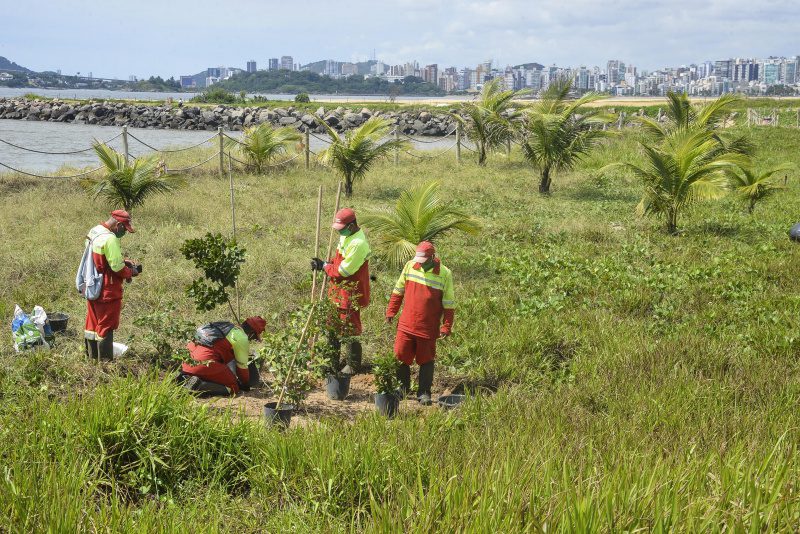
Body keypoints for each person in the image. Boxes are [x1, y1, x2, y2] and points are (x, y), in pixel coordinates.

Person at [385, 241, 454, 405]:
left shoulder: (444, 273)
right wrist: (391, 311)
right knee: (400, 356)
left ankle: (424, 392)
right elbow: (398, 290)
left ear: (432, 258)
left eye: (423, 260)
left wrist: (446, 326)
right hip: (406, 324)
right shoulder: (410, 266)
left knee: (426, 360)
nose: (419, 263)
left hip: (427, 327)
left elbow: (449, 303)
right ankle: (402, 388)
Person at [311, 208, 371, 374]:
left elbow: (344, 271)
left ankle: (352, 364)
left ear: (351, 226)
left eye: (341, 228)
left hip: (350, 292)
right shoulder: (346, 235)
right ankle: (332, 361)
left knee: (349, 328)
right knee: (332, 325)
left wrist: (324, 266)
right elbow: (337, 261)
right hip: (337, 290)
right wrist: (326, 263)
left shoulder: (358, 243)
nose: (339, 231)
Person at [84, 210, 140, 361]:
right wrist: (130, 272)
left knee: (92, 322)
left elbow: (101, 259)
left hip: (92, 285)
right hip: (107, 289)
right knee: (107, 324)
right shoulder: (110, 239)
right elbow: (117, 267)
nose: (124, 232)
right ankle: (105, 363)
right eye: (124, 229)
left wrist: (123, 261)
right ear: (119, 225)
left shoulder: (95, 231)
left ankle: (91, 358)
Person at [181, 316, 266, 396]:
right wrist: (245, 384)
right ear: (251, 333)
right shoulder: (242, 338)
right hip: (204, 363)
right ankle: (198, 386)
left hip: (186, 361)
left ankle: (184, 378)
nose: (252, 340)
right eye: (254, 337)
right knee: (233, 387)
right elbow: (242, 367)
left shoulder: (226, 327)